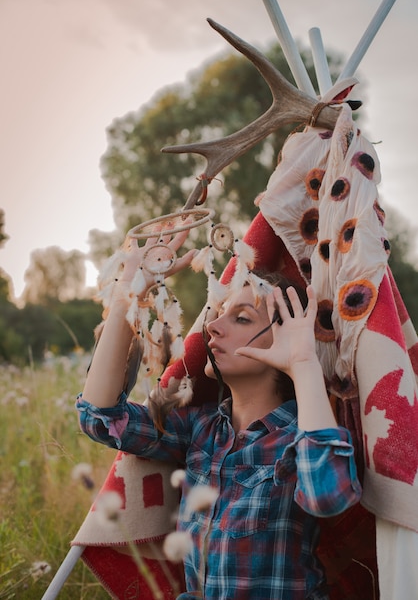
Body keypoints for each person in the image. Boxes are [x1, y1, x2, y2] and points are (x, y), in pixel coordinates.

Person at [76, 228, 362, 600]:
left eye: (241, 318)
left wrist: (304, 361)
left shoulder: (304, 435)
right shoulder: (199, 428)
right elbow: (101, 417)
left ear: (288, 337)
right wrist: (130, 292)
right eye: (219, 314)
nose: (211, 326)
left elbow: (328, 496)